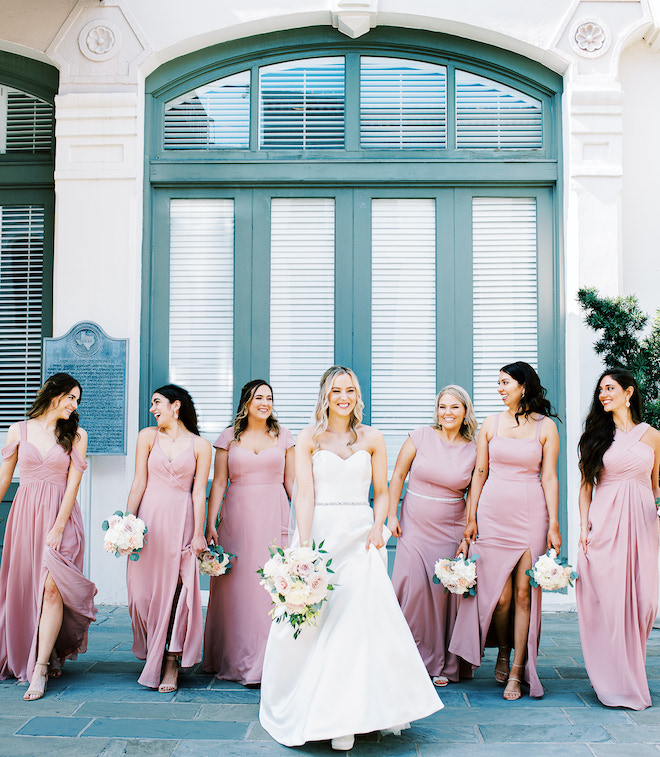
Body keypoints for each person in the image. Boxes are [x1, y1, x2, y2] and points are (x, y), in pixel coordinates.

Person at [259, 366, 442, 751]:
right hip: (323, 534)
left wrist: (379, 527)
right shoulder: (309, 438)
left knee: (357, 622)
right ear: (326, 395)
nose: (344, 396)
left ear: (358, 395)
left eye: (350, 390)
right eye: (337, 390)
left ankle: (357, 712)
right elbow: (304, 495)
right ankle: (326, 712)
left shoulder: (373, 438)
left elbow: (382, 490)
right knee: (319, 620)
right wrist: (304, 545)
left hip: (361, 537)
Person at [450, 361, 561, 700]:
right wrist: (471, 518)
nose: (499, 389)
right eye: (498, 383)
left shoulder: (546, 427)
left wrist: (554, 524)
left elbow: (549, 477)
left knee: (525, 593)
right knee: (499, 596)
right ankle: (501, 649)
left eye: (505, 383)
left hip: (530, 513)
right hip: (493, 513)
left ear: (523, 386)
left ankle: (517, 672)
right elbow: (479, 473)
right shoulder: (490, 423)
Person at [0, 373, 96, 700]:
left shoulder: (77, 435)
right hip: (25, 517)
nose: (74, 405)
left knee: (53, 588)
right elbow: (4, 480)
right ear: (53, 394)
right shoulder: (19, 430)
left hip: (62, 519)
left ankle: (39, 668)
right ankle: (48, 649)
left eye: (77, 400)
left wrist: (58, 525)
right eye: (71, 397)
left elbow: (73, 486)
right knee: (29, 588)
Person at [576, 368, 660, 710]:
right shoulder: (596, 435)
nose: (602, 394)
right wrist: (584, 527)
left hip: (643, 525)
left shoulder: (653, 435)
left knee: (645, 604)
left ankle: (629, 670)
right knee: (611, 604)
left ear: (629, 392)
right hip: (606, 524)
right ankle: (615, 681)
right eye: (600, 390)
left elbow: (656, 485)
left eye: (610, 388)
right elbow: (585, 487)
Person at [203, 379, 294, 685]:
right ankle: (234, 658)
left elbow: (292, 484)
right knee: (238, 592)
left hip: (274, 514)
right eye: (258, 397)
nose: (264, 402)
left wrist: (306, 522)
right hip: (237, 518)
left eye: (269, 397)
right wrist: (210, 523)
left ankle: (270, 662)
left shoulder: (284, 436)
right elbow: (218, 482)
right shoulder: (228, 437)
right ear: (246, 402)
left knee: (270, 589)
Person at [388, 385, 477, 687]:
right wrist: (391, 514)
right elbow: (398, 474)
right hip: (413, 525)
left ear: (465, 412)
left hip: (451, 529)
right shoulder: (420, 436)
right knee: (411, 591)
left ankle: (443, 664)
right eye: (442, 406)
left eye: (454, 407)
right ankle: (405, 659)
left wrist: (467, 534)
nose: (447, 412)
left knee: (443, 598)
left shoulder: (475, 450)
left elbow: (475, 495)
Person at [125, 385, 211, 691]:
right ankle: (154, 649)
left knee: (178, 593)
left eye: (157, 403)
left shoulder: (201, 445)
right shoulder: (147, 437)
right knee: (141, 593)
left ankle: (172, 662)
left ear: (176, 406)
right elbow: (138, 481)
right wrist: (126, 523)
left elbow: (199, 492)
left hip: (182, 520)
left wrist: (199, 533)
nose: (152, 408)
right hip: (149, 521)